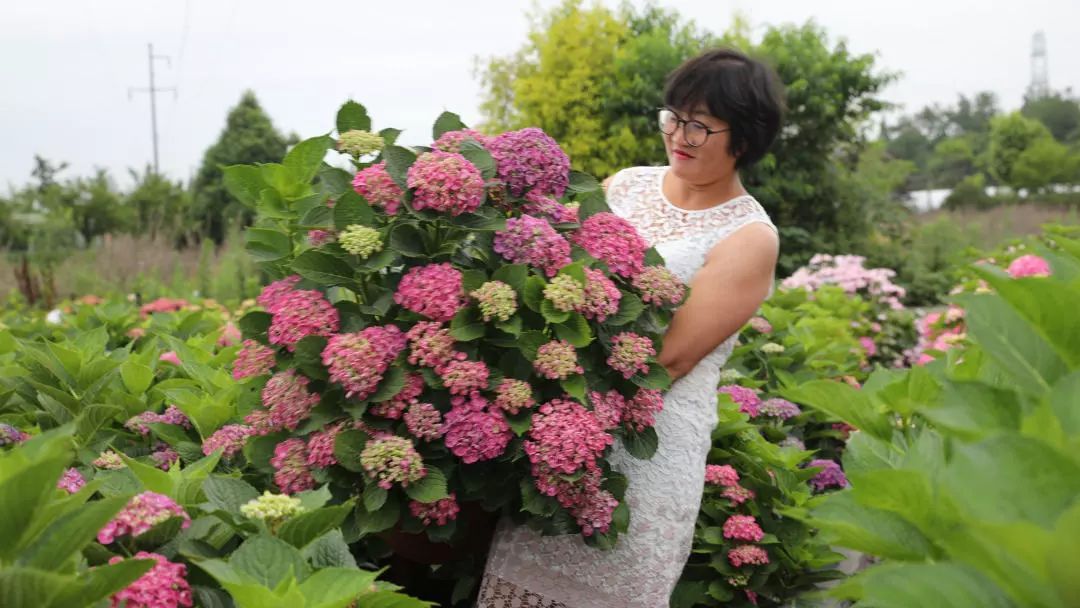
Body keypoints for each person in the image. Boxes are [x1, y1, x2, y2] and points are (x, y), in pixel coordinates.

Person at [478, 48, 784, 607]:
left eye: (700, 125)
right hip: (557, 425)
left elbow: (668, 357)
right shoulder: (625, 186)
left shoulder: (750, 237)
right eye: (673, 116)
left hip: (647, 452)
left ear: (746, 136)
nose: (680, 136)